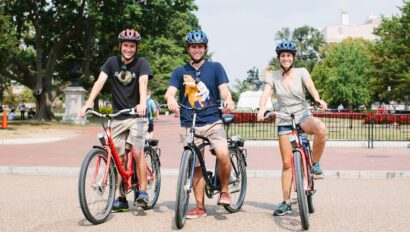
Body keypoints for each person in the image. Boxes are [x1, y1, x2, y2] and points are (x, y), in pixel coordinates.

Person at [80, 28, 153, 212]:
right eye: (126, 45)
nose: (129, 49)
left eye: (132, 46)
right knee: (119, 159)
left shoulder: (141, 63)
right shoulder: (111, 62)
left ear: (136, 48)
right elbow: (99, 81)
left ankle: (143, 193)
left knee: (137, 153)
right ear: (120, 46)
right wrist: (88, 103)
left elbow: (143, 83)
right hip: (117, 117)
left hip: (136, 116)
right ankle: (121, 198)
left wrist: (142, 103)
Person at [165, 30, 235, 219]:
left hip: (213, 121)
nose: (197, 50)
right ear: (188, 49)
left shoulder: (215, 67)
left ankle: (225, 190)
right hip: (189, 123)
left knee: (222, 153)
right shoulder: (180, 71)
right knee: (196, 166)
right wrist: (171, 99)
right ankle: (200, 207)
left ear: (205, 49)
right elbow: (170, 92)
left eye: (200, 46)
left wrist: (228, 100)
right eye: (193, 46)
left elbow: (224, 91)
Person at [257, 41, 327, 216]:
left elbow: (311, 87)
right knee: (287, 163)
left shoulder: (301, 72)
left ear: (293, 57)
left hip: (302, 115)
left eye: (289, 55)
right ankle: (286, 202)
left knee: (321, 128)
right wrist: (261, 109)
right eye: (283, 56)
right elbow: (266, 93)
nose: (286, 58)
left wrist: (318, 99)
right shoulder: (272, 76)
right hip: (284, 119)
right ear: (279, 58)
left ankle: (315, 164)